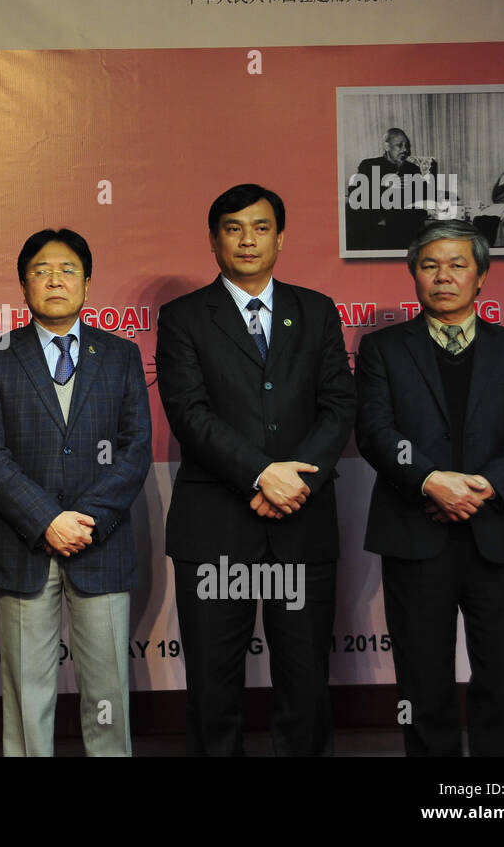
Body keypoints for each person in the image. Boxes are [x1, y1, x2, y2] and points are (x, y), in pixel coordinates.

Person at [156, 183, 355, 756]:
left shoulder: (314, 310)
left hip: (302, 520)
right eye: (234, 228)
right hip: (216, 526)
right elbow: (189, 413)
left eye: (261, 227)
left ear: (281, 238)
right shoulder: (184, 317)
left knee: (306, 682)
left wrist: (299, 480)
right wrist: (260, 474)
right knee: (214, 689)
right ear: (214, 241)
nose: (248, 239)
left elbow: (339, 403)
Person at [356, 220, 504, 756]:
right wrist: (429, 482)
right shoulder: (382, 350)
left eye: (457, 264)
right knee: (423, 683)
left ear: (482, 276)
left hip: (499, 536)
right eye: (429, 265)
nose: (443, 276)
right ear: (414, 276)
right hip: (414, 533)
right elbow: (376, 432)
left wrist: (481, 488)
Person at [0, 228, 150, 756]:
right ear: (23, 285)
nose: (55, 279)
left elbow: (134, 447)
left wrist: (83, 520)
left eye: (68, 269)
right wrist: (48, 519)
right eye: (41, 270)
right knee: (27, 691)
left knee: (108, 691)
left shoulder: (119, 355)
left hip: (102, 541)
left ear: (88, 284)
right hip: (24, 543)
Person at [346, 127, 433, 250]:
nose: (405, 150)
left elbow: (422, 197)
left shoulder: (412, 169)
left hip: (403, 228)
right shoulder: (368, 165)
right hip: (374, 228)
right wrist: (386, 187)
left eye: (406, 146)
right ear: (387, 147)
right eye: (399, 145)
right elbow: (355, 196)